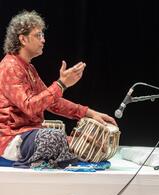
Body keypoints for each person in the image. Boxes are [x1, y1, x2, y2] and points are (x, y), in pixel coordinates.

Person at [0, 10, 116, 168]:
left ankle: (63, 155)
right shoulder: (9, 67)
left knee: (83, 142)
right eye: (38, 35)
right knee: (54, 138)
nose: (43, 40)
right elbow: (30, 107)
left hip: (31, 135)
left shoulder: (29, 68)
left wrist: (89, 113)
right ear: (23, 39)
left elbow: (52, 103)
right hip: (12, 139)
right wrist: (61, 84)